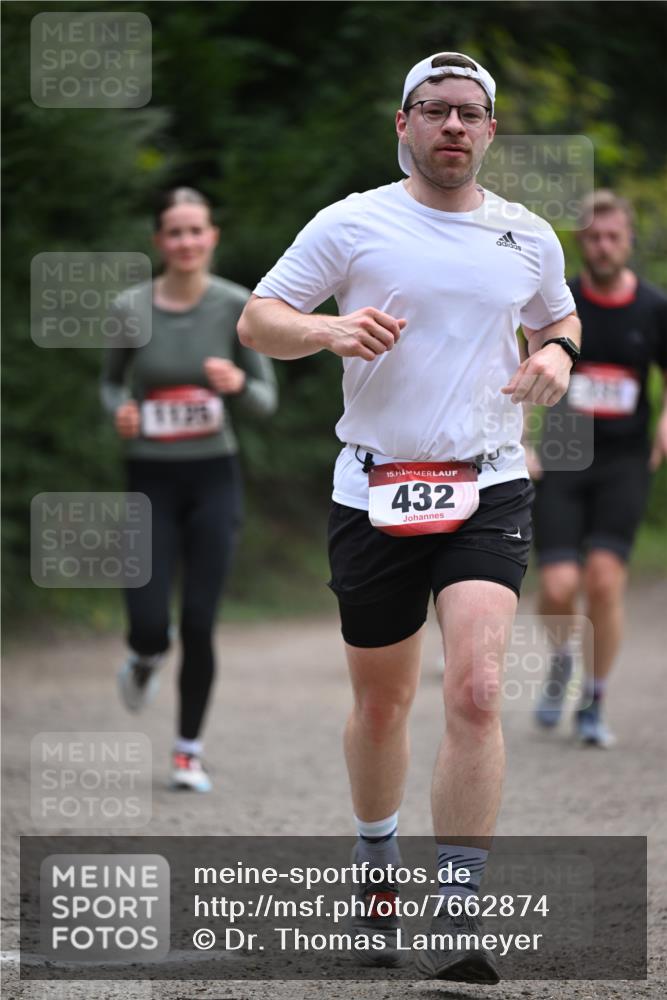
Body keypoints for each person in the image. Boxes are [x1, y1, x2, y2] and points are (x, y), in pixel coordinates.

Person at [238, 52, 580, 982]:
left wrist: (556, 358)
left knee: (474, 688)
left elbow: (560, 321)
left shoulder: (526, 235)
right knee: (382, 703)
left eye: (470, 113)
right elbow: (259, 319)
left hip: (487, 482)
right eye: (435, 111)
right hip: (374, 485)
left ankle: (459, 912)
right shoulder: (352, 222)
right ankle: (376, 865)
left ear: (490, 129)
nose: (453, 127)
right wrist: (326, 331)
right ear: (403, 124)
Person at [101, 187, 278, 792]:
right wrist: (120, 410)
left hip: (213, 479)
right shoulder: (130, 307)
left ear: (212, 237)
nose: (185, 242)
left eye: (195, 230)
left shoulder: (238, 305)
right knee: (151, 623)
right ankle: (146, 655)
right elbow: (109, 383)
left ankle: (187, 750)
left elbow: (265, 400)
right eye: (174, 232)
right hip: (148, 479)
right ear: (159, 241)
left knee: (200, 620)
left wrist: (235, 384)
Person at [532, 190, 667, 747]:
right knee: (560, 585)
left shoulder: (655, 308)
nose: (603, 246)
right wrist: (523, 438)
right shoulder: (560, 305)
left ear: (628, 240)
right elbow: (524, 363)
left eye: (613, 236)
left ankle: (595, 700)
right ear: (580, 243)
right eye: (593, 237)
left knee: (605, 581)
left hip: (624, 456)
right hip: (564, 447)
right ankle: (564, 657)